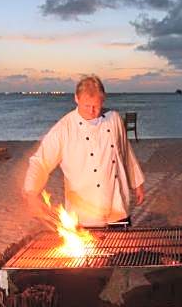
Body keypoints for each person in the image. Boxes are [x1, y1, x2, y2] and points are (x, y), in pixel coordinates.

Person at [23, 76, 145, 227]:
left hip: (117, 208)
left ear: (103, 99)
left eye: (96, 106)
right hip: (82, 215)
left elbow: (126, 153)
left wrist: (137, 183)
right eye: (87, 106)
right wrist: (31, 193)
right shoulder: (64, 128)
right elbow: (40, 161)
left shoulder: (114, 119)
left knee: (122, 242)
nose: (92, 111)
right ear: (76, 98)